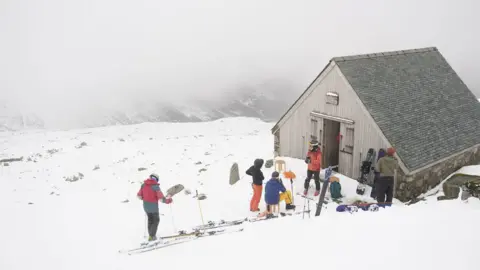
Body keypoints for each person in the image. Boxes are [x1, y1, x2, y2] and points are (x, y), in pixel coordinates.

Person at [137, 173, 173, 241]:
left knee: (150, 220)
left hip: (146, 207)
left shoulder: (143, 185)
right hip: (153, 208)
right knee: (156, 220)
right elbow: (161, 199)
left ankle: (151, 235)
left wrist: (145, 197)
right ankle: (152, 236)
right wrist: (169, 200)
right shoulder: (155, 186)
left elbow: (139, 195)